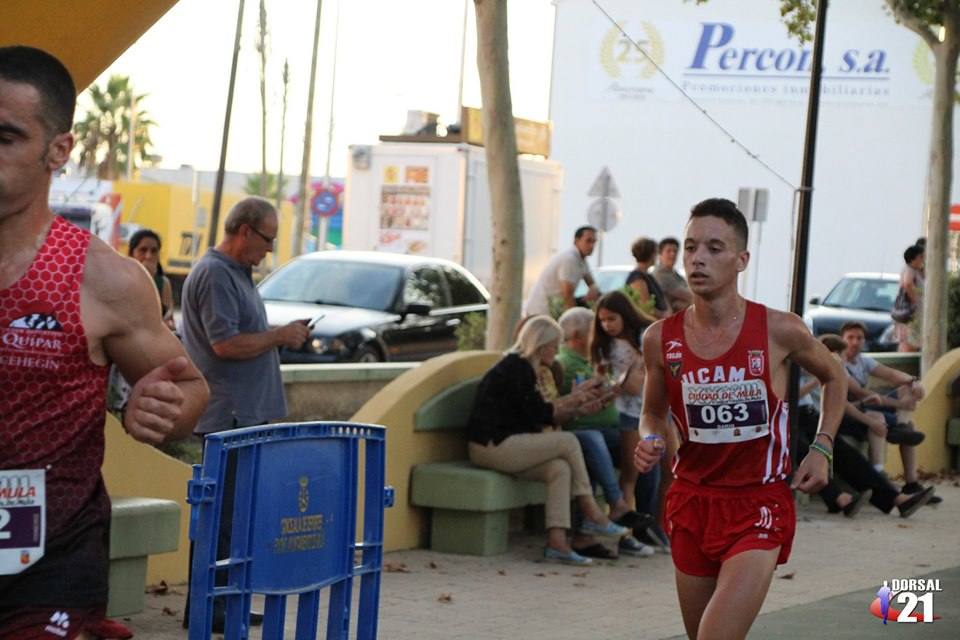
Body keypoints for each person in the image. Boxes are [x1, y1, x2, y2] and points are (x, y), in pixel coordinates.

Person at [0, 46, 209, 637]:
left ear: (57, 150)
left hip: (47, 564)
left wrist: (164, 410)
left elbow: (188, 388)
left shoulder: (105, 279)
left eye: (5, 136)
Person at [633, 198, 847, 640]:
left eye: (714, 248)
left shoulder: (779, 330)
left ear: (741, 260)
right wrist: (650, 439)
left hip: (758, 504)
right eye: (691, 247)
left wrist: (822, 447)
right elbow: (652, 413)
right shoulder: (660, 339)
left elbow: (835, 376)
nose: (698, 258)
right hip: (692, 502)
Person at [179, 196, 310, 629]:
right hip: (228, 415)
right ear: (245, 231)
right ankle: (209, 606)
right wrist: (278, 336)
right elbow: (225, 344)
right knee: (223, 516)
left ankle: (223, 601)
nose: (269, 249)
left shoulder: (236, 273)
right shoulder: (217, 274)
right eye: (268, 239)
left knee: (235, 516)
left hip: (244, 414)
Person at [467, 315, 630, 566]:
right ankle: (591, 509)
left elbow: (542, 413)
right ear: (541, 344)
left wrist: (578, 402)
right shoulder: (516, 367)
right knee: (568, 441)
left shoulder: (528, 368)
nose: (557, 351)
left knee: (559, 469)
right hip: (491, 446)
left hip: (509, 443)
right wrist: (575, 400)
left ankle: (557, 543)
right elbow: (540, 414)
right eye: (555, 345)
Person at [798, 335, 935, 518]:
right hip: (785, 415)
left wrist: (912, 381)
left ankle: (897, 499)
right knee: (801, 448)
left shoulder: (801, 358)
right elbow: (788, 394)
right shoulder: (776, 360)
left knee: (844, 453)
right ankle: (838, 498)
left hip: (809, 415)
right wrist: (823, 375)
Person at [556, 307, 655, 559]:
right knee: (594, 446)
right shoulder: (565, 362)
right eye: (594, 328)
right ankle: (611, 516)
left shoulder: (593, 359)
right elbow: (564, 406)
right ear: (578, 334)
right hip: (579, 432)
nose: (600, 333)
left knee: (642, 449)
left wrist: (608, 393)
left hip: (603, 429)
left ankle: (640, 529)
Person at [838, 321, 938, 503]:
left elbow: (891, 374)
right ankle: (880, 474)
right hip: (849, 411)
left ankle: (911, 483)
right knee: (879, 419)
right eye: (850, 338)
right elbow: (860, 393)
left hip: (865, 407)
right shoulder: (839, 364)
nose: (854, 342)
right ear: (842, 340)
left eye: (859, 338)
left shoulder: (863, 361)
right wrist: (901, 404)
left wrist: (913, 381)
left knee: (905, 391)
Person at [522, 226, 599, 318]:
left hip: (551, 309)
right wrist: (575, 319)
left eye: (594, 242)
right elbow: (567, 294)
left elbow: (590, 281)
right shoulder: (570, 259)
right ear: (576, 241)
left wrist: (593, 288)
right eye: (588, 241)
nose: (592, 246)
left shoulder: (581, 260)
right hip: (542, 311)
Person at [128, 228, 176, 331]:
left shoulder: (163, 283)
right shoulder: (122, 279)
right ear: (132, 253)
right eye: (143, 250)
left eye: (154, 251)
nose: (148, 256)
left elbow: (166, 316)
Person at [625, 237, 667, 322]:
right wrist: (664, 316)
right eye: (655, 253)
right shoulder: (637, 278)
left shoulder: (648, 276)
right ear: (650, 254)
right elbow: (646, 307)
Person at [895, 244, 924, 352]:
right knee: (909, 340)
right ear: (913, 258)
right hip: (911, 313)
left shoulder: (915, 271)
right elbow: (907, 284)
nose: (922, 260)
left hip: (913, 313)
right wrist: (915, 300)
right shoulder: (910, 270)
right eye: (921, 257)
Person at [653, 236, 693, 314]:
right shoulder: (661, 274)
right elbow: (690, 297)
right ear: (660, 254)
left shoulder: (675, 274)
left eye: (675, 251)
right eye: (669, 251)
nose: (673, 254)